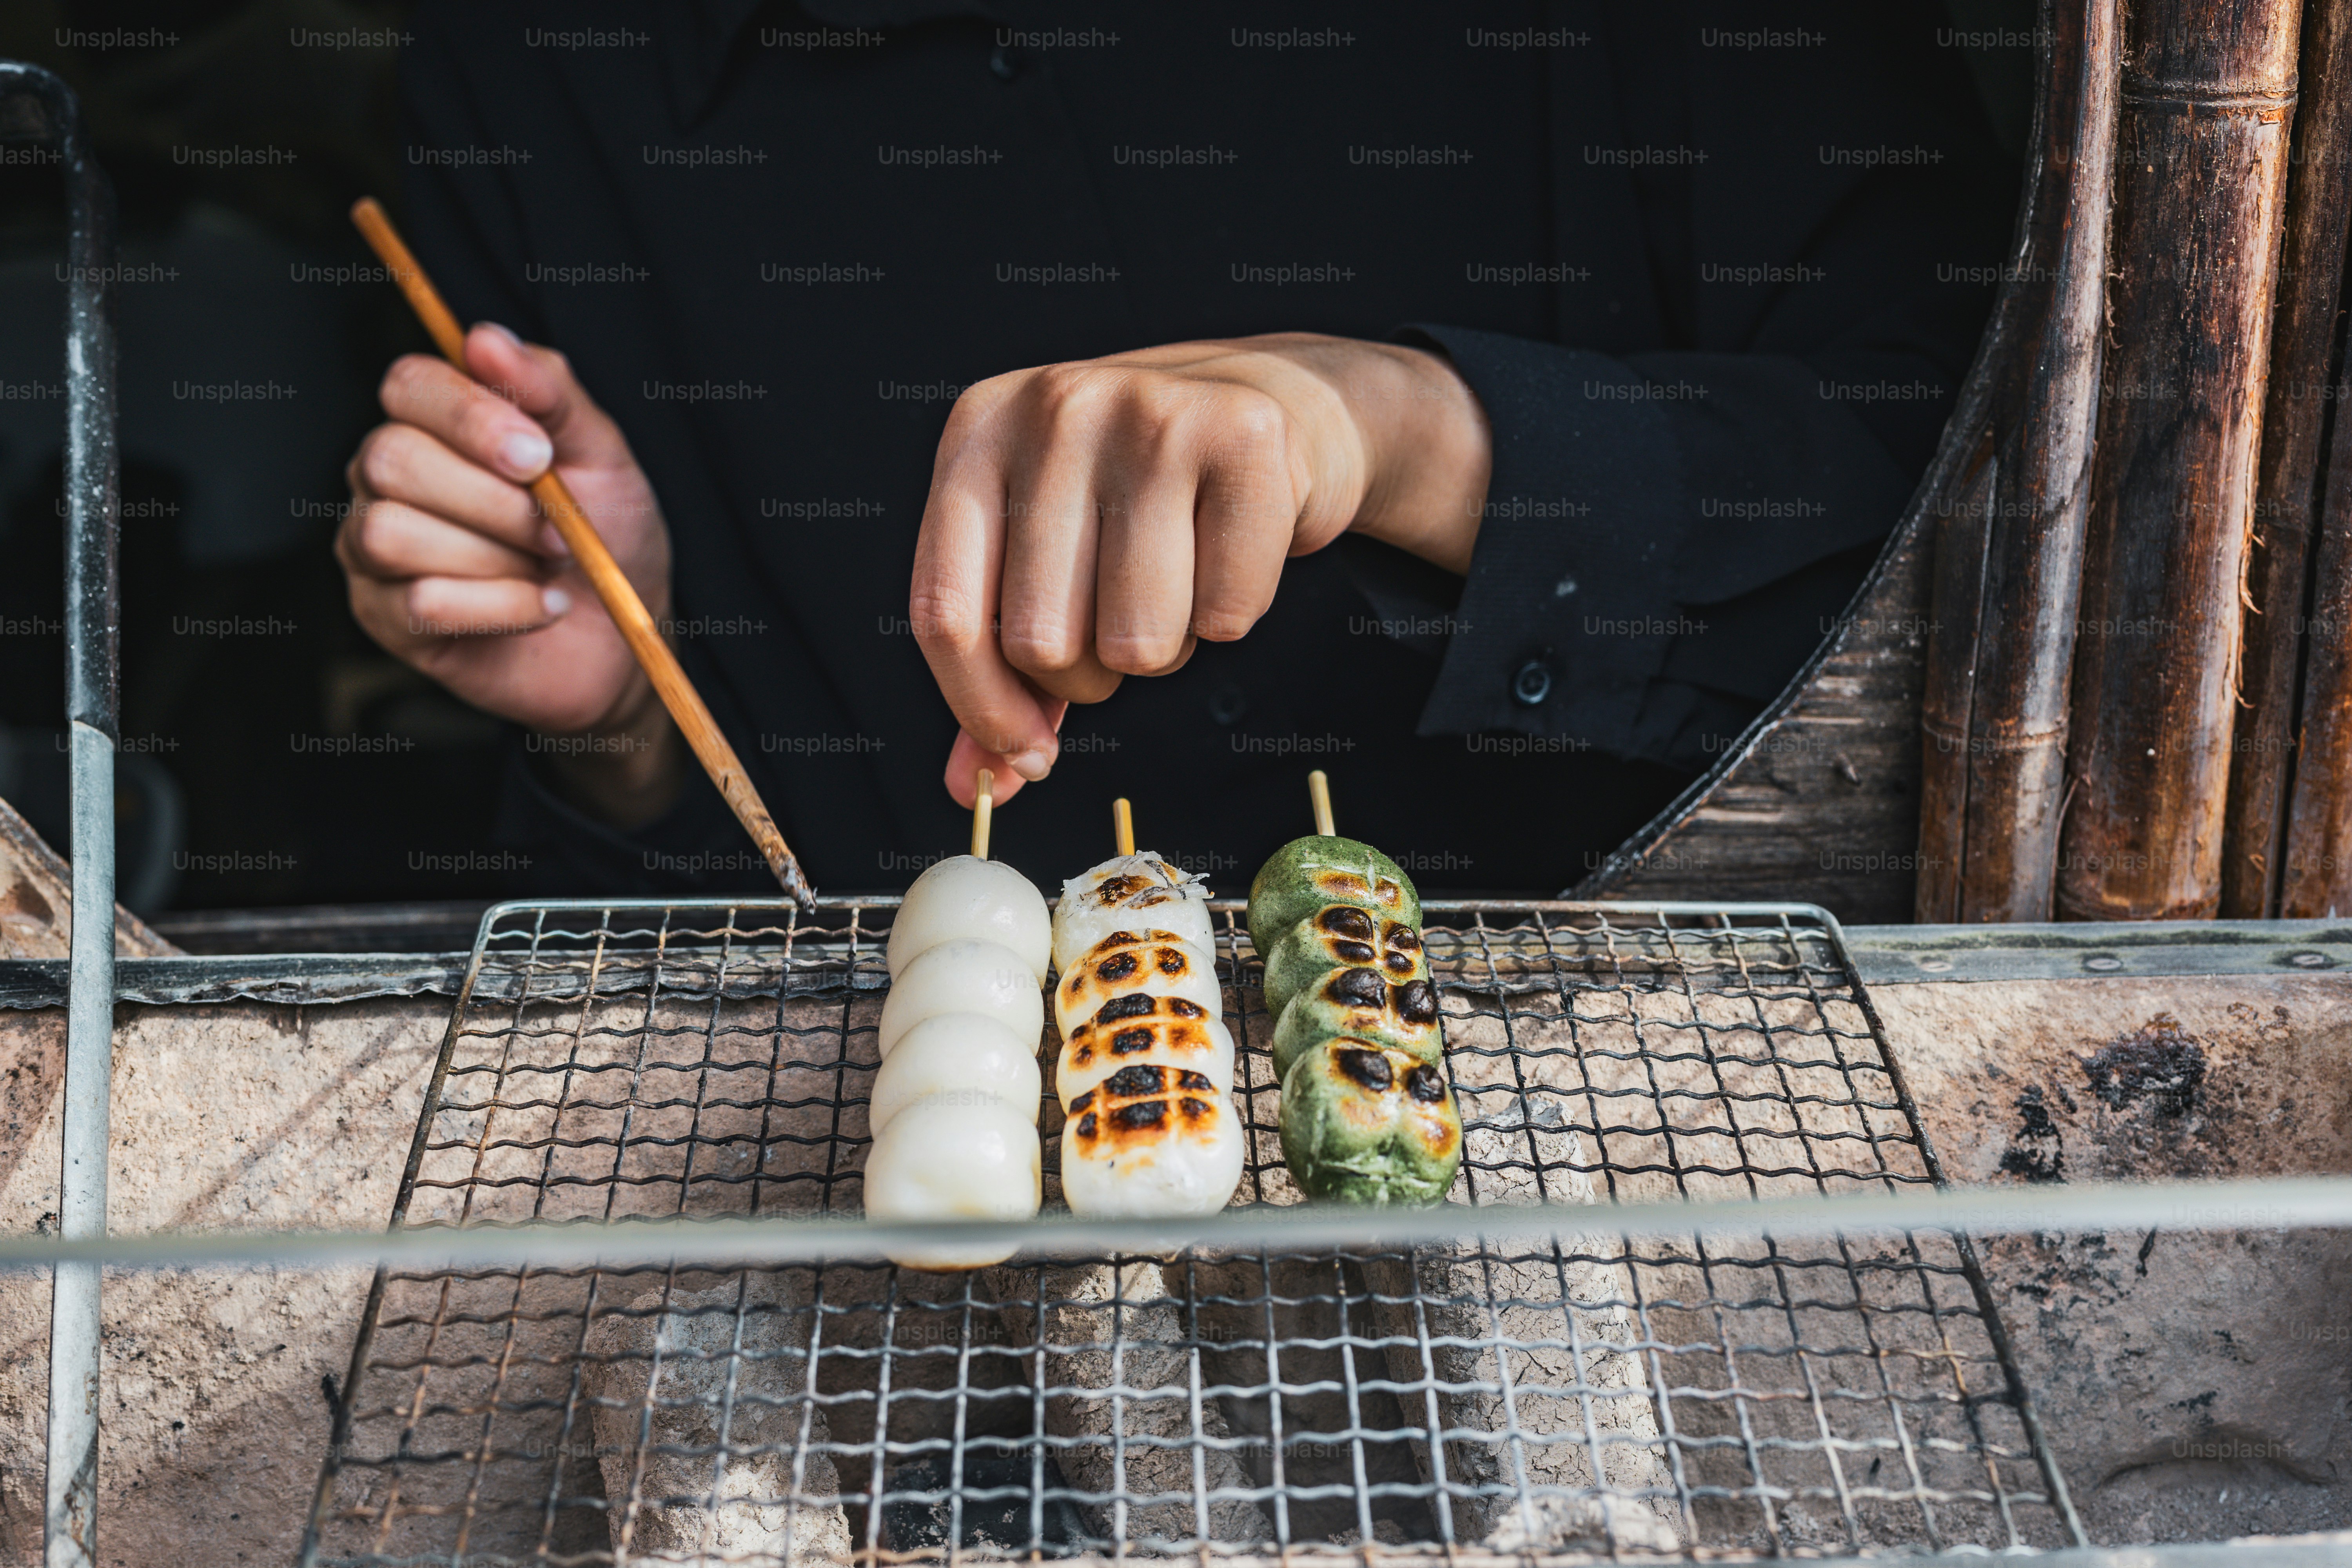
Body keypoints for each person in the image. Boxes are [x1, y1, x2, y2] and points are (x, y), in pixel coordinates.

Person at [337, 2, 2014, 894]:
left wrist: (1420, 438)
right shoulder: (521, 65)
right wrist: (629, 720)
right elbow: (665, 907)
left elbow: (2025, 526)